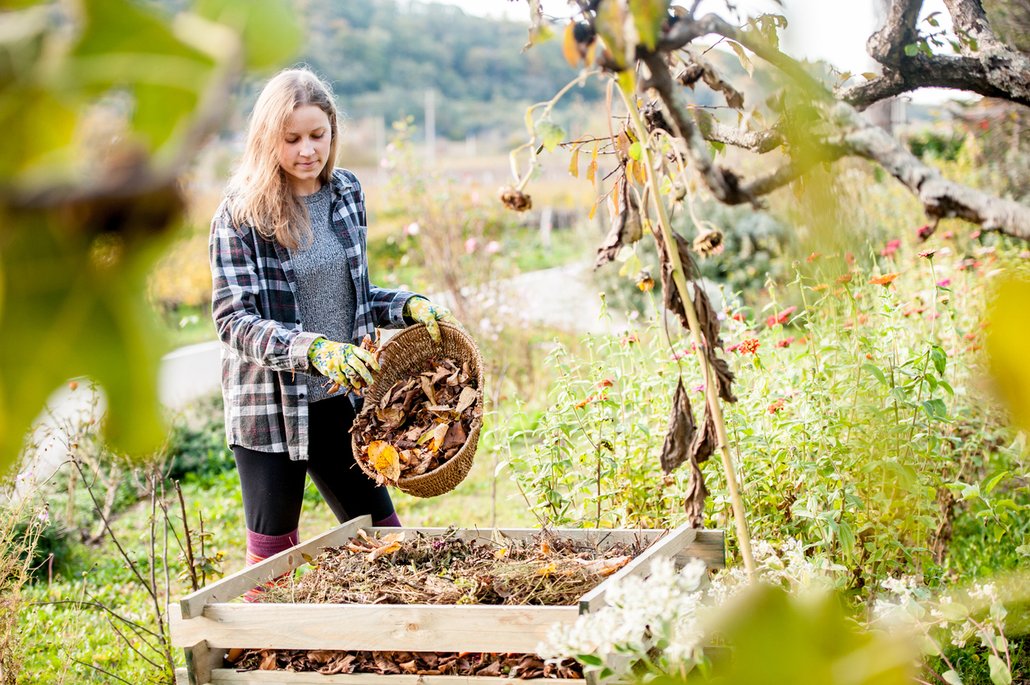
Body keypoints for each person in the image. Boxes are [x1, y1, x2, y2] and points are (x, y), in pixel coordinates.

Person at [209, 67, 458, 597]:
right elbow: (233, 319)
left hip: (341, 401)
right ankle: (261, 665)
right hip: (271, 410)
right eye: (292, 138)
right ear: (266, 138)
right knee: (272, 562)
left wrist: (406, 304)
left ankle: (392, 640)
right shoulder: (240, 212)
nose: (307, 151)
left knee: (385, 539)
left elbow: (353, 296)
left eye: (317, 136)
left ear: (333, 132)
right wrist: (314, 351)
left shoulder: (345, 193)